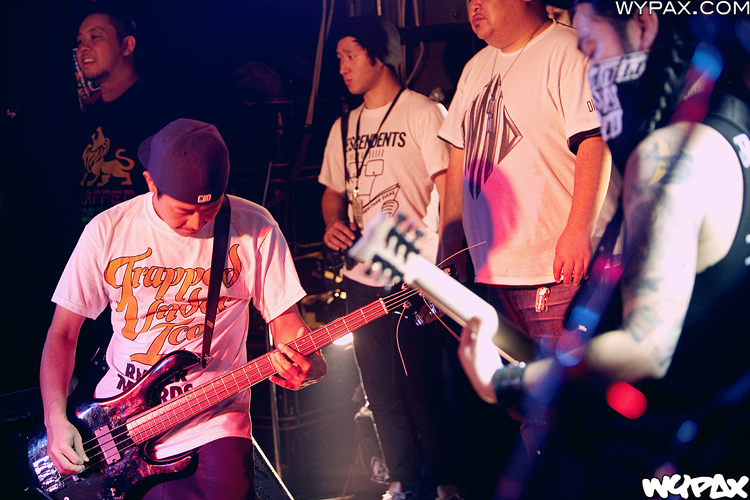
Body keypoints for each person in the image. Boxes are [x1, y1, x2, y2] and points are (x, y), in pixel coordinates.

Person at [458, 4, 750, 499]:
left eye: (592, 49)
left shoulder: (667, 154)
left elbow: (646, 347)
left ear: (644, 26)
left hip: (661, 461)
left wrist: (502, 382)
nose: (592, 72)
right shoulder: (734, 121)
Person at [40, 118, 327, 500]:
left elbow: (289, 328)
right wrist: (55, 419)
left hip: (214, 418)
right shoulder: (108, 230)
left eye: (210, 209)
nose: (196, 222)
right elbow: (63, 333)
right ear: (151, 183)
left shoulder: (254, 227)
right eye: (183, 210)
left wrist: (309, 366)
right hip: (117, 423)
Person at [318, 15, 462, 500]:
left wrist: (444, 254)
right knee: (378, 383)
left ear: (379, 56)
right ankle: (402, 479)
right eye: (339, 58)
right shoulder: (344, 124)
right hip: (362, 272)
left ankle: (447, 480)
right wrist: (332, 223)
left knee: (425, 382)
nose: (342, 67)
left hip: (415, 269)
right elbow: (333, 192)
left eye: (349, 55)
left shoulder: (423, 112)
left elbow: (448, 186)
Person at [438, 0, 618, 354]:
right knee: (518, 386)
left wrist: (578, 229)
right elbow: (458, 158)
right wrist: (450, 245)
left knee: (567, 384)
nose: (473, 5)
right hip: (494, 273)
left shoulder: (570, 50)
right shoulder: (475, 67)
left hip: (560, 270)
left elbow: (596, 142)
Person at [75, 5, 186, 227]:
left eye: (95, 37)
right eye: (79, 41)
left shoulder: (162, 103)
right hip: (98, 237)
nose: (83, 47)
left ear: (127, 45)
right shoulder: (86, 117)